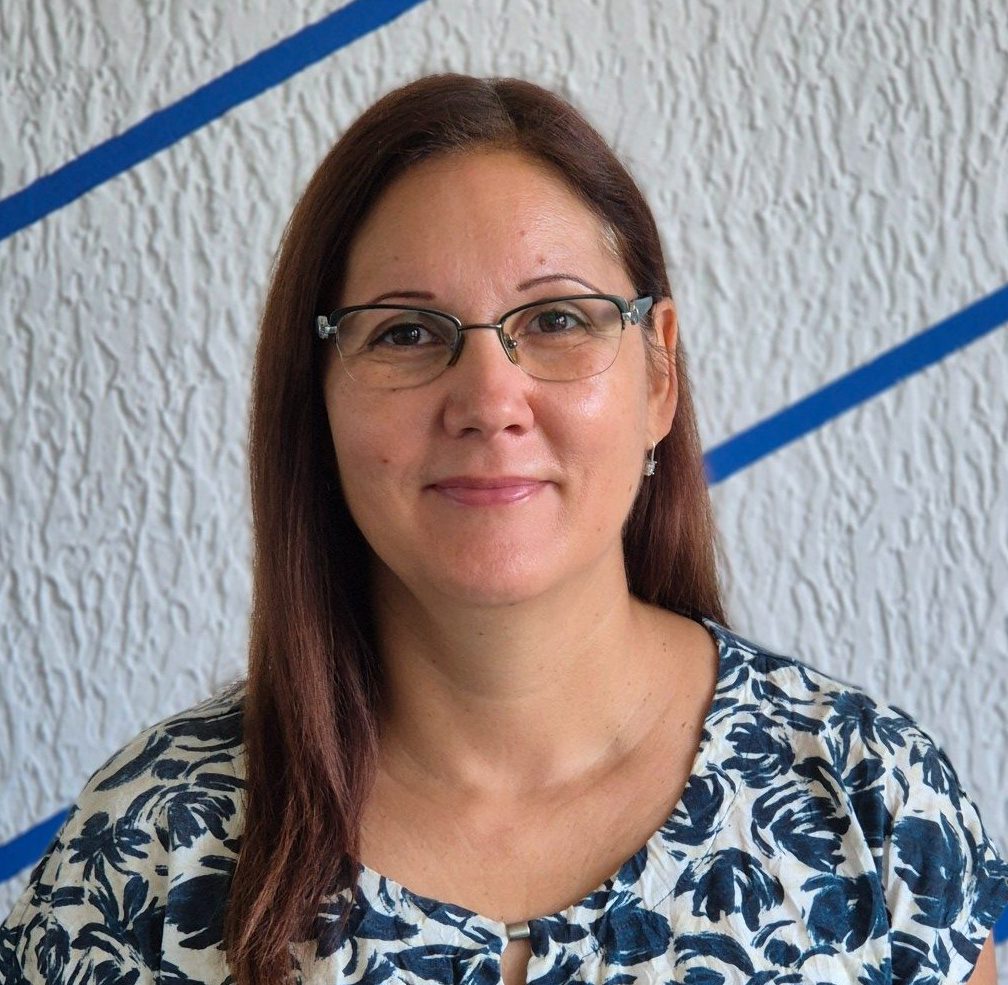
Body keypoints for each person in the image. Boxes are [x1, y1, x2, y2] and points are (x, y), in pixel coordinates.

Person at [1, 73, 1005, 985]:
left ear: (659, 373)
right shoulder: (143, 854)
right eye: (406, 331)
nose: (488, 399)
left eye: (557, 320)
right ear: (318, 401)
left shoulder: (869, 803)